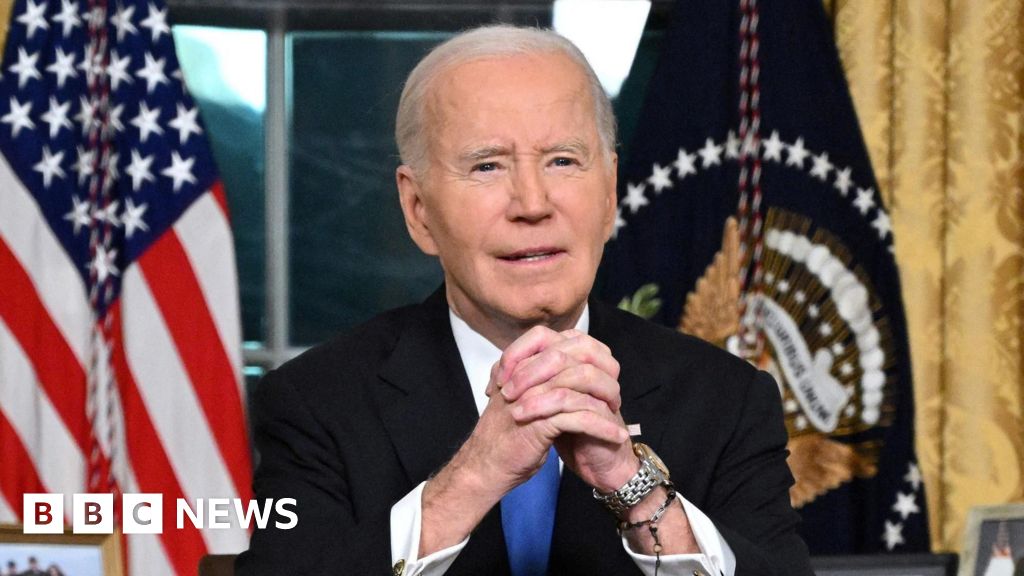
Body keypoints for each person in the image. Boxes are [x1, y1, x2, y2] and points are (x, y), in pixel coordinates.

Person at [236, 25, 812, 576]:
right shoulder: (315, 404)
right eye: (487, 166)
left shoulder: (728, 399)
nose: (532, 204)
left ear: (609, 192)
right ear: (418, 210)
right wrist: (472, 478)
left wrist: (635, 489)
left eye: (563, 160)